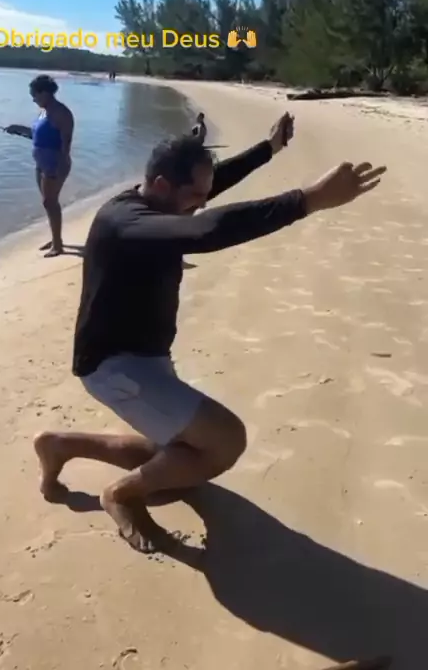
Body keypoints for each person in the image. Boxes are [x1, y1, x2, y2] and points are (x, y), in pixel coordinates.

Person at [34, 112, 386, 552]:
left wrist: (269, 148)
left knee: (174, 458)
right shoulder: (126, 223)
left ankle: (59, 444)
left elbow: (210, 190)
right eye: (195, 196)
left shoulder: (158, 202)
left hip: (145, 356)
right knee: (224, 442)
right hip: (113, 366)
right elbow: (207, 228)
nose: (201, 203)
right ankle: (120, 495)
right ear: (161, 185)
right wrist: (308, 200)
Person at [5, 75, 74, 258]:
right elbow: (37, 135)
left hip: (55, 164)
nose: (33, 99)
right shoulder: (43, 112)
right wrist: (17, 128)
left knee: (50, 202)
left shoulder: (61, 113)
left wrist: (60, 167)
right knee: (48, 202)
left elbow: (66, 143)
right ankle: (55, 238)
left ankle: (58, 245)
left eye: (34, 95)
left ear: (45, 92)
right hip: (41, 164)